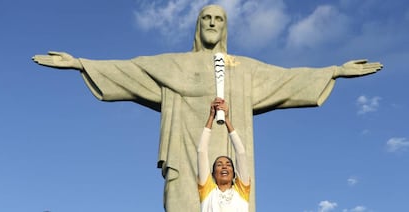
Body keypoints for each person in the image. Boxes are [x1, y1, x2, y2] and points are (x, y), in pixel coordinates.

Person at [32, 4, 383, 212]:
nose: (212, 23)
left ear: (226, 27)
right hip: (185, 160)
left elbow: (287, 80)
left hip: (230, 157)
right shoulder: (172, 65)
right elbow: (131, 70)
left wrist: (334, 70)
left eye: (219, 19)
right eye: (206, 18)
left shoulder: (243, 68)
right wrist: (80, 63)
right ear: (197, 26)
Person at [198, 98, 250, 212]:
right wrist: (211, 116)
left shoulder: (241, 191)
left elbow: (241, 153)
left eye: (228, 164)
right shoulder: (207, 191)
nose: (224, 167)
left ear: (234, 173)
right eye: (219, 165)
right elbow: (202, 151)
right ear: (213, 174)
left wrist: (226, 119)